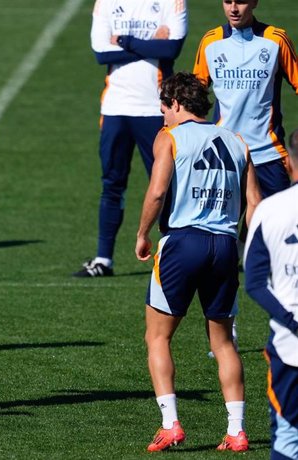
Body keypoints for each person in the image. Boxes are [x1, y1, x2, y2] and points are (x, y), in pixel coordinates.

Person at [135, 72, 262, 452]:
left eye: (163, 108)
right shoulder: (238, 141)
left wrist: (142, 234)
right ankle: (237, 430)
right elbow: (254, 202)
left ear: (176, 104)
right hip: (225, 245)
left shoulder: (169, 137)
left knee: (158, 336)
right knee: (223, 342)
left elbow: (158, 192)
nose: (162, 115)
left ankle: (170, 424)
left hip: (182, 242)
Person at [75, 0, 187, 277]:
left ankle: (172, 252)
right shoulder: (106, 3)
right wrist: (149, 43)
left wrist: (124, 41)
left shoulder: (173, 2)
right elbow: (101, 53)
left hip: (156, 109)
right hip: (115, 109)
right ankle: (104, 260)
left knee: (165, 184)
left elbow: (171, 49)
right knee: (112, 183)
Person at [193, 0, 297, 199]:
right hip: (224, 157)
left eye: (240, 2)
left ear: (254, 2)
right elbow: (193, 97)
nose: (233, 9)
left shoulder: (276, 40)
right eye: (227, 2)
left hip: (269, 157)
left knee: (272, 227)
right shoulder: (210, 42)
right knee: (222, 229)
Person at [244, 128, 298, 460]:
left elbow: (254, 282)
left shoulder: (269, 210)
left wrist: (291, 320)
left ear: (289, 162)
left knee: (287, 439)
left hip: (289, 347)